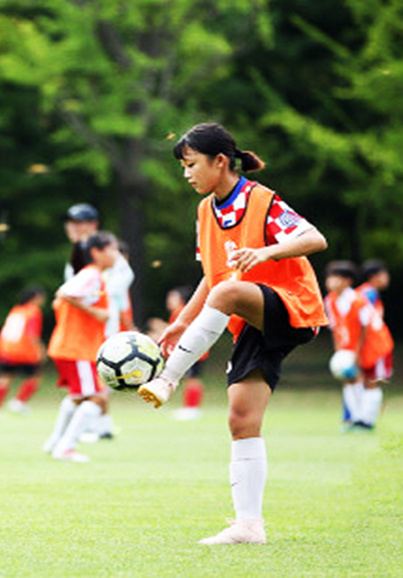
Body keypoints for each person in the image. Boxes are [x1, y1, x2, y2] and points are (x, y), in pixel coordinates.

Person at [138, 123, 328, 545]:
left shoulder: (262, 200)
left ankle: (168, 378)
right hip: (251, 319)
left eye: (191, 164)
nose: (186, 174)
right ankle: (248, 527)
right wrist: (181, 321)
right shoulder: (205, 210)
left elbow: (315, 238)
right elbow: (212, 277)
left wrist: (265, 251)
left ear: (220, 161)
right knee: (241, 419)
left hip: (292, 305)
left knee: (227, 292)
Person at [43, 231, 119, 462]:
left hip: (71, 346)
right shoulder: (92, 274)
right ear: (97, 252)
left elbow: (59, 301)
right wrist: (96, 313)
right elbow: (64, 294)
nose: (116, 254)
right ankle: (65, 447)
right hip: (78, 348)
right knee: (98, 398)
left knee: (78, 397)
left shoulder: (92, 275)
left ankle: (55, 442)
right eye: (112, 249)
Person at [63, 204, 134, 441]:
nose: (72, 227)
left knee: (94, 382)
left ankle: (89, 428)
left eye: (78, 222)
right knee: (90, 383)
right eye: (70, 222)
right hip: (82, 328)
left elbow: (118, 286)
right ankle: (99, 426)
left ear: (92, 224)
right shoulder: (77, 257)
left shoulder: (106, 252)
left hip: (103, 327)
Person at [323, 261, 382, 431]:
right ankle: (355, 419)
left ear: (347, 281)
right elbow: (335, 327)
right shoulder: (330, 300)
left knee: (370, 381)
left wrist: (357, 354)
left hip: (371, 345)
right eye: (329, 278)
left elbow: (366, 328)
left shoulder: (358, 300)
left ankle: (367, 421)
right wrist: (339, 351)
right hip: (348, 347)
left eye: (336, 278)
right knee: (348, 380)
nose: (331, 282)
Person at [0, 285, 46, 418]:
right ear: (36, 297)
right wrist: (40, 349)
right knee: (35, 377)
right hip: (24, 350)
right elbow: (32, 334)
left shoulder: (16, 310)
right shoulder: (33, 311)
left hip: (6, 348)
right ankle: (19, 402)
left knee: (5, 377)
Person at [356, 259, 394, 422]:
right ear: (374, 276)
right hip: (372, 345)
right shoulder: (368, 294)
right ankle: (366, 421)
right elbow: (363, 322)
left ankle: (361, 419)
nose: (387, 278)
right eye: (384, 274)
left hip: (370, 345)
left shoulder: (368, 293)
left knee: (365, 381)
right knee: (372, 381)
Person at [162, 286, 206, 421]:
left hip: (191, 350)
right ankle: (190, 407)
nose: (169, 300)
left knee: (192, 380)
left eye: (173, 297)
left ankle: (192, 409)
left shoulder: (181, 312)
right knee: (190, 379)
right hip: (195, 350)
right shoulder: (181, 311)